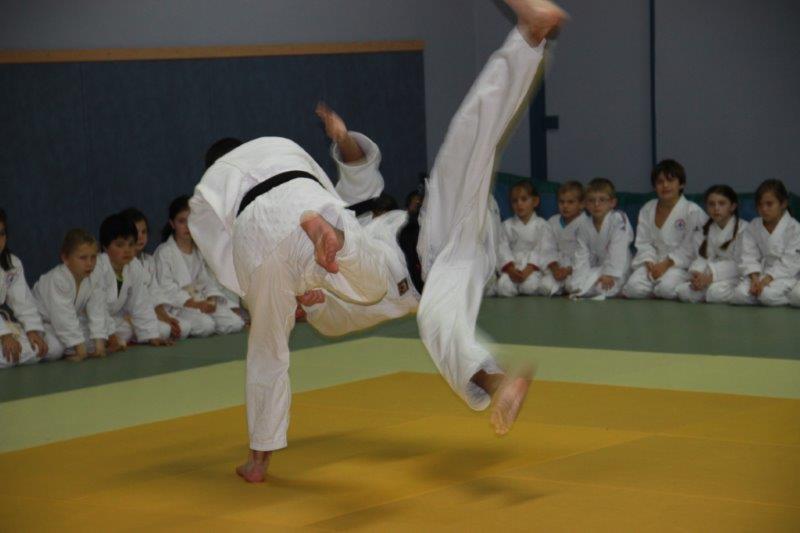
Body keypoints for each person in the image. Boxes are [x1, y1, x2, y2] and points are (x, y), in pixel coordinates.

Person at [189, 0, 566, 483]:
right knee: (430, 315)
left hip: (425, 237)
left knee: (464, 144)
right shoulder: (295, 172)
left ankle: (529, 38)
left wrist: (342, 138)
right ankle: (499, 385)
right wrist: (301, 287)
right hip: (416, 268)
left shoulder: (323, 201)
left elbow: (353, 170)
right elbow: (335, 189)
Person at [154, 196, 246, 337]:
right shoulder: (164, 252)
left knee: (235, 323)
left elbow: (206, 282)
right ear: (172, 224)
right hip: (178, 306)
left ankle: (208, 320)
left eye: (191, 220)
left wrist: (211, 300)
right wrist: (193, 303)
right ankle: (197, 323)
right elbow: (166, 288)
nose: (187, 226)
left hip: (201, 301)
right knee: (206, 325)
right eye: (181, 221)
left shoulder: (199, 251)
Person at [622, 160, 707, 300]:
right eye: (660, 182)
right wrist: (649, 261)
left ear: (681, 184)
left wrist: (666, 264)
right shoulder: (647, 209)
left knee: (665, 289)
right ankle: (656, 289)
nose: (665, 185)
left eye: (670, 180)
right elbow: (644, 242)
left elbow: (691, 248)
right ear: (654, 186)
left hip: (680, 266)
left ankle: (683, 288)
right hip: (654, 262)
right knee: (632, 288)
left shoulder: (693, 211)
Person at [94, 213, 173, 347]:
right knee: (59, 348)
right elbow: (96, 309)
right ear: (105, 247)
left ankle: (112, 337)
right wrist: (111, 336)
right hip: (89, 321)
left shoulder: (134, 266)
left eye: (131, 244)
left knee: (161, 331)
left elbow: (140, 303)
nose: (127, 250)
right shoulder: (98, 268)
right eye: (120, 245)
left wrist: (151, 335)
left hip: (113, 321)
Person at [33, 229, 109, 362]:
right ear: (65, 258)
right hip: (42, 324)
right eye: (83, 258)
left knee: (95, 341)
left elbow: (97, 308)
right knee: (55, 349)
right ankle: (70, 347)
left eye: (93, 257)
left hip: (66, 322)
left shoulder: (94, 275)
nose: (89, 263)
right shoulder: (57, 279)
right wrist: (80, 350)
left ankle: (72, 346)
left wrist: (99, 345)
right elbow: (63, 317)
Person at [119, 207, 189, 340]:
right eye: (135, 232)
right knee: (163, 331)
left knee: (184, 328)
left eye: (144, 232)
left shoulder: (149, 261)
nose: (140, 237)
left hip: (150, 312)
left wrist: (166, 317)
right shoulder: (122, 264)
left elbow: (155, 294)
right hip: (128, 315)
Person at [731, 179, 800, 306]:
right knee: (739, 295)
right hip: (760, 273)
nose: (764, 209)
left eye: (769, 204)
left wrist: (766, 280)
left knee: (767, 295)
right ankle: (763, 295)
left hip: (786, 275)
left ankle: (790, 298)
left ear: (783, 204)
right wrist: (755, 279)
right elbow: (748, 256)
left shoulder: (794, 229)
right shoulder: (754, 226)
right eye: (760, 205)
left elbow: (791, 262)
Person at [675, 185, 747, 304]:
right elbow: (702, 258)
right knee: (683, 292)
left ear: (733, 206)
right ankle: (706, 290)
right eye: (711, 204)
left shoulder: (744, 229)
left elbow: (740, 264)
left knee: (715, 292)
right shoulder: (703, 230)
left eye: (721, 203)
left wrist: (711, 276)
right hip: (708, 276)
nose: (716, 208)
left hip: (734, 276)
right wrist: (697, 274)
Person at [567, 178, 633, 299]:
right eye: (591, 200)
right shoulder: (583, 225)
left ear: (612, 202)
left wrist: (610, 274)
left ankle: (619, 285)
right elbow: (581, 256)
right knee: (571, 285)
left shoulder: (618, 219)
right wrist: (577, 280)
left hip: (618, 269)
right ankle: (586, 286)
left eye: (602, 200)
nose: (596, 204)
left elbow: (618, 249)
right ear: (586, 204)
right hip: (598, 268)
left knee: (600, 288)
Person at [0, 208, 49, 368]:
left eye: (1, 234)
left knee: (38, 349)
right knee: (7, 354)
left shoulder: (11, 263)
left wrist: (32, 330)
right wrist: (4, 335)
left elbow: (23, 301)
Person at [495, 181, 558, 297]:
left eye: (524, 199)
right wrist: (510, 269)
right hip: (512, 267)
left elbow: (545, 249)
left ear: (535, 201)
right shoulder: (506, 225)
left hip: (532, 269)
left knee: (529, 287)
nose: (519, 204)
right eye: (515, 201)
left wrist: (528, 269)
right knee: (503, 288)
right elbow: (502, 248)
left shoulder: (543, 225)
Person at [544, 181, 586, 295]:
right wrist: (555, 269)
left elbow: (587, 255)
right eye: (561, 202)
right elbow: (547, 249)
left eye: (570, 202)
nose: (565, 206)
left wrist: (568, 270)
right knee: (545, 287)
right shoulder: (552, 221)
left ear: (582, 204)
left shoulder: (586, 223)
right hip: (556, 267)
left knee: (573, 286)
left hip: (576, 268)